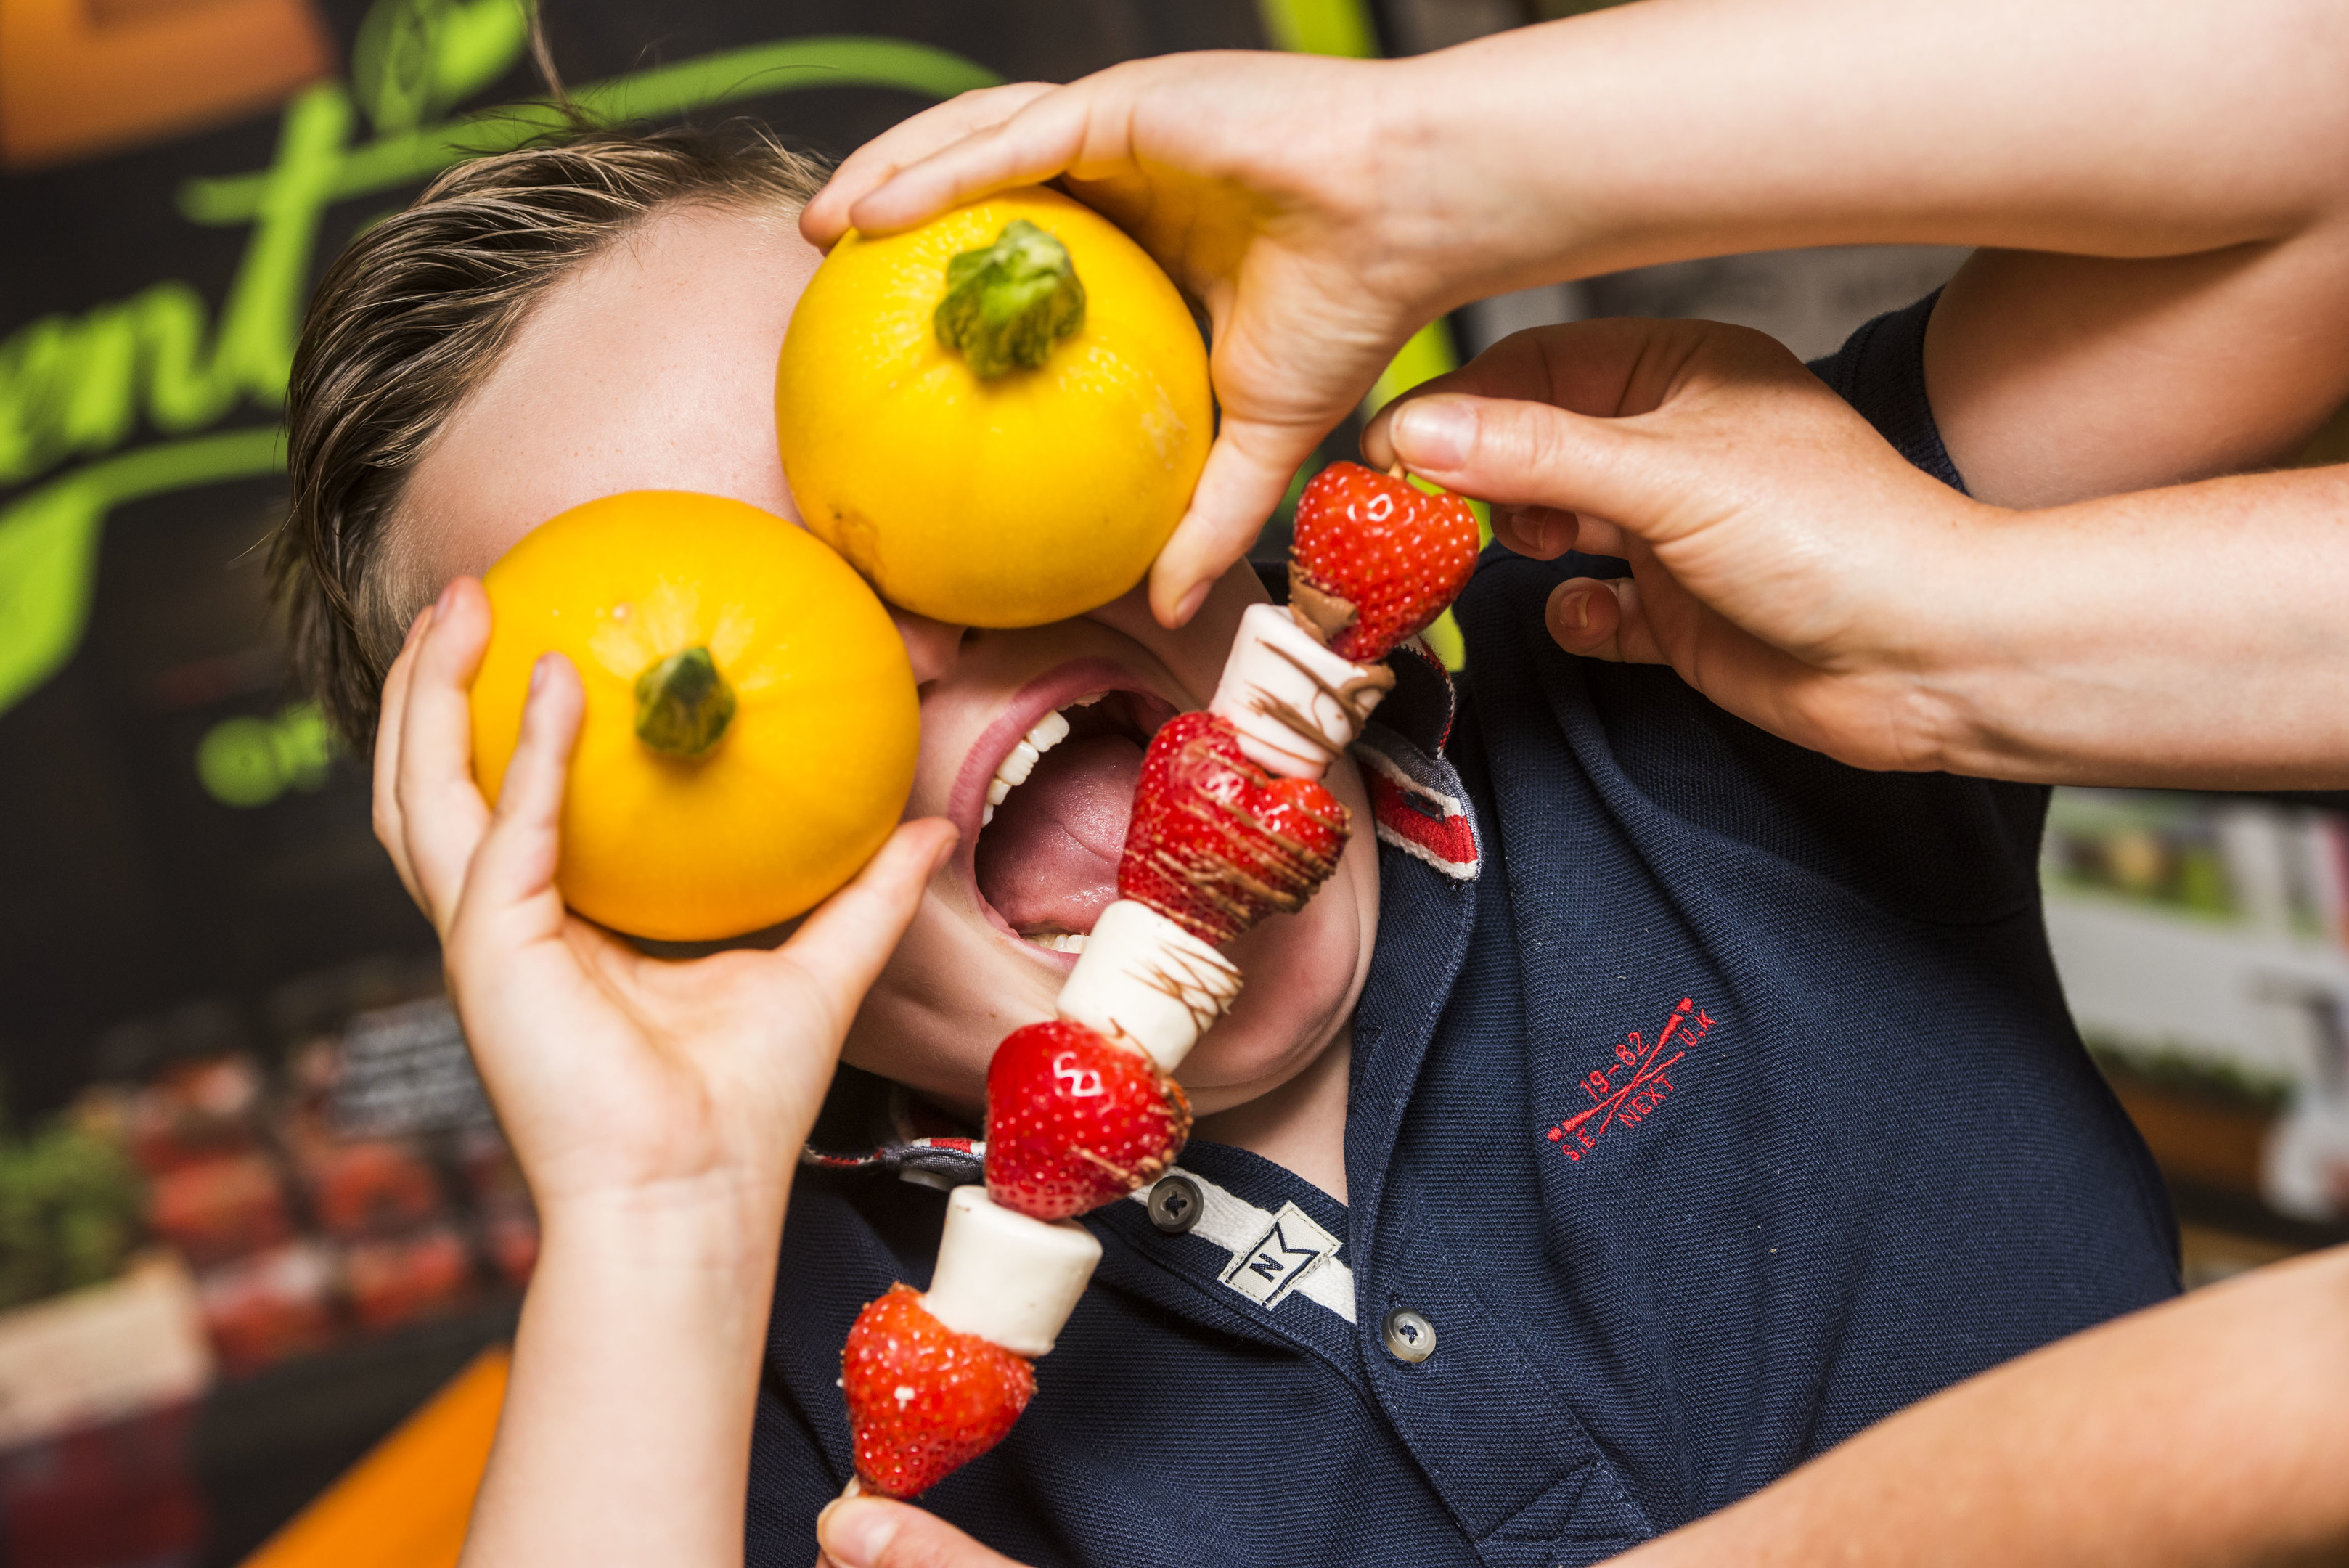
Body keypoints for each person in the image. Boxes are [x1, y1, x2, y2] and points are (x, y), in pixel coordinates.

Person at [278, 115, 2300, 1568]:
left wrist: (1438, 156)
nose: (900, 627)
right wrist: (651, 1226)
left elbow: (2295, 149)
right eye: (687, 636)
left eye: (903, 448)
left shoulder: (1651, 637)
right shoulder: (744, 1379)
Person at [808, 0, 2349, 791]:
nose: (928, 632)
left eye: (962, 508)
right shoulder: (775, 1355)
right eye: (798, 568)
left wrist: (1418, 174)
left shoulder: (1684, 683)